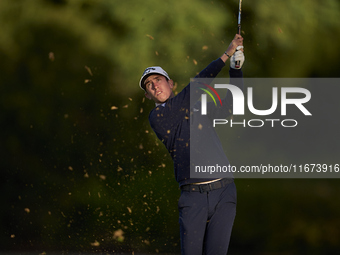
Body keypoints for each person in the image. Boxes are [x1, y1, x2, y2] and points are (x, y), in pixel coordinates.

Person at [139, 34, 245, 255]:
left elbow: (233, 105)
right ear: (148, 95)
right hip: (192, 197)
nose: (154, 86)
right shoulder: (158, 117)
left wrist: (236, 69)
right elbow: (197, 85)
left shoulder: (198, 105)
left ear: (170, 83)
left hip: (224, 190)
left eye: (157, 80)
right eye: (149, 85)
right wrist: (226, 54)